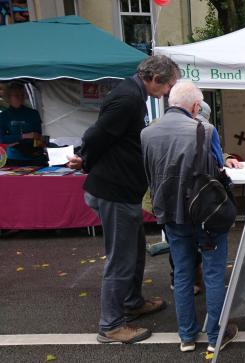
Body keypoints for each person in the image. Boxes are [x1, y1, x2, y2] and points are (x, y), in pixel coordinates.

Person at [67, 55, 180, 344]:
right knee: (121, 258)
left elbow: (109, 135)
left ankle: (132, 302)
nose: (168, 91)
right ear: (154, 78)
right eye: (168, 84)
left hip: (122, 189)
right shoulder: (128, 99)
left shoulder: (132, 94)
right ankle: (111, 325)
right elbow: (96, 134)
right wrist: (84, 158)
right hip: (113, 190)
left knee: (135, 250)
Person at [141, 81, 238, 353]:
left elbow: (150, 174)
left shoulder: (147, 133)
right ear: (196, 106)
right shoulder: (205, 130)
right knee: (213, 273)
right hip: (205, 215)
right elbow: (218, 168)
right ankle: (216, 335)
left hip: (170, 215)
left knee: (182, 274)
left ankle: (186, 336)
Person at [0, 82, 47, 166]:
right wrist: (25, 136)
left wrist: (39, 145)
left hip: (34, 157)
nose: (20, 98)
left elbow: (38, 135)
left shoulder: (33, 113)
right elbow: (2, 138)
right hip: (14, 158)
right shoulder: (3, 116)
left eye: (22, 95)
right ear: (8, 97)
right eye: (16, 95)